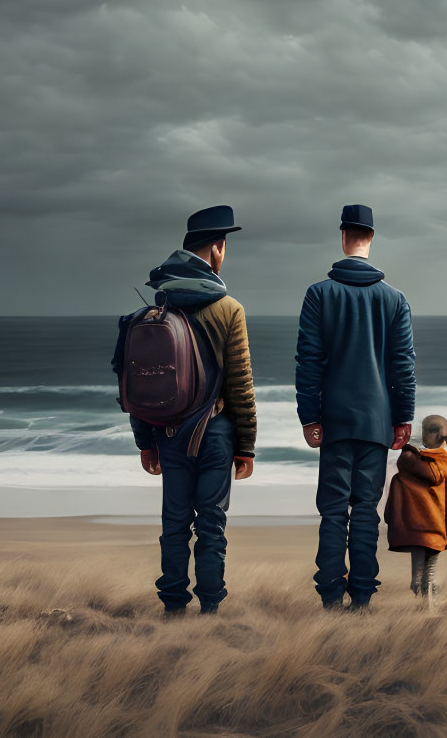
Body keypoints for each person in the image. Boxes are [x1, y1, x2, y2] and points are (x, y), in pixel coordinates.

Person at [114, 205, 257, 615]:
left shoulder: (160, 303)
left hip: (169, 432)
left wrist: (145, 440)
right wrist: (246, 445)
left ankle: (173, 607)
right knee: (211, 525)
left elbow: (139, 376)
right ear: (217, 248)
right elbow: (241, 385)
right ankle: (210, 608)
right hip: (216, 433)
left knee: (174, 524)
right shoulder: (229, 309)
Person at [295, 204, 416, 611]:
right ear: (370, 239)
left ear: (344, 237)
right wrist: (404, 417)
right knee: (365, 510)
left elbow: (308, 361)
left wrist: (308, 416)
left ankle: (330, 598)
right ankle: (362, 597)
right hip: (377, 422)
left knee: (333, 512)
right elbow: (403, 366)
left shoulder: (319, 294)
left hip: (333, 422)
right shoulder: (394, 299)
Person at [384, 414, 447, 607]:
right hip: (436, 532)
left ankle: (423, 607)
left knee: (417, 578)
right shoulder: (445, 470)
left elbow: (394, 500)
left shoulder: (406, 469)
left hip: (415, 533)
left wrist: (391, 521)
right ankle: (429, 608)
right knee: (430, 575)